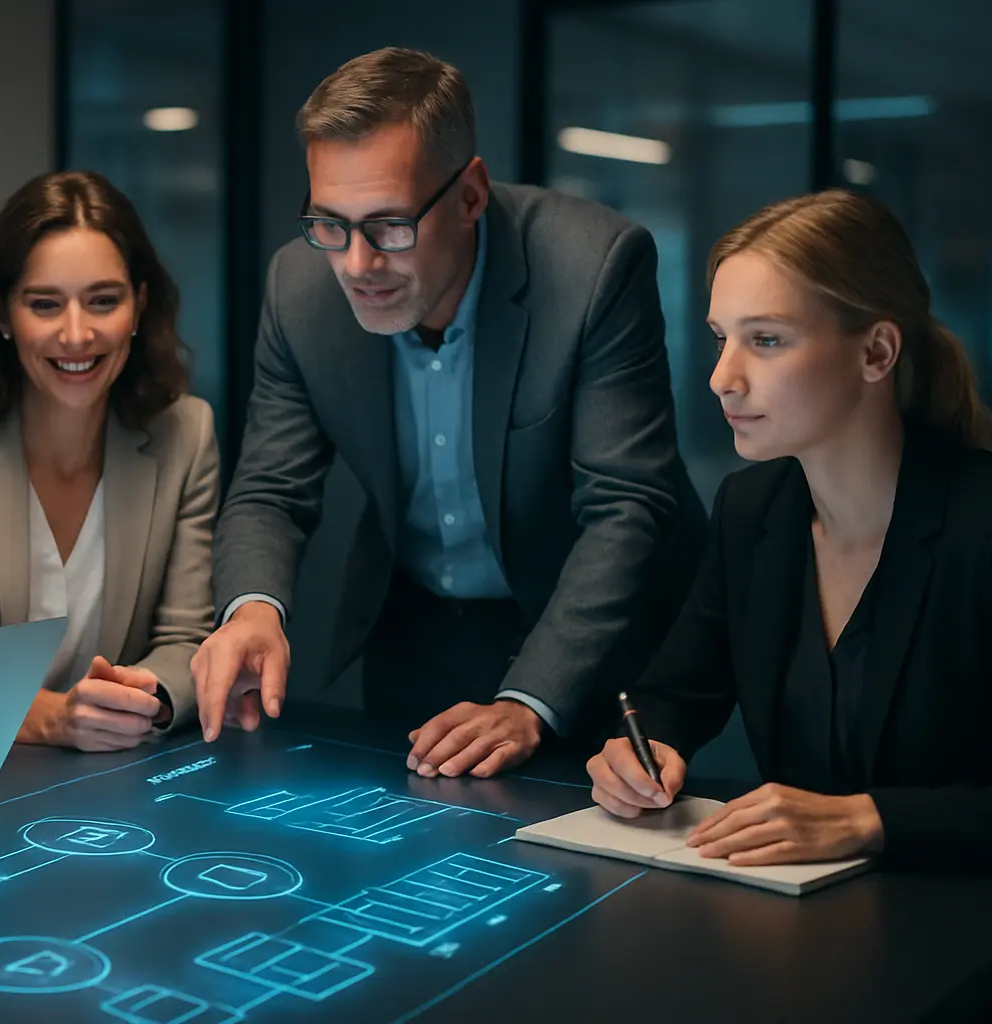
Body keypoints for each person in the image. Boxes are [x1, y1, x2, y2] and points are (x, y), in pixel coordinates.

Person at [192, 47, 706, 777]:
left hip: (585, 633)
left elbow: (628, 505)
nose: (356, 265)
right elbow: (272, 486)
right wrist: (253, 610)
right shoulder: (299, 287)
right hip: (417, 624)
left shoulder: (594, 268)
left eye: (390, 226)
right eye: (329, 224)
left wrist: (530, 700)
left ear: (470, 195)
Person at [587, 189, 992, 873]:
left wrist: (864, 819)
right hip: (797, 923)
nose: (723, 378)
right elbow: (671, 698)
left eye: (768, 340)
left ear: (876, 352)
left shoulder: (991, 524)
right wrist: (639, 754)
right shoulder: (751, 511)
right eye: (723, 338)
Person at [0, 170, 217, 753]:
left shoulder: (187, 433)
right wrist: (55, 718)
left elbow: (186, 638)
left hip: (120, 773)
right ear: (3, 316)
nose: (76, 334)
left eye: (103, 301)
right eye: (45, 304)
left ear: (139, 307)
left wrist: (137, 698)